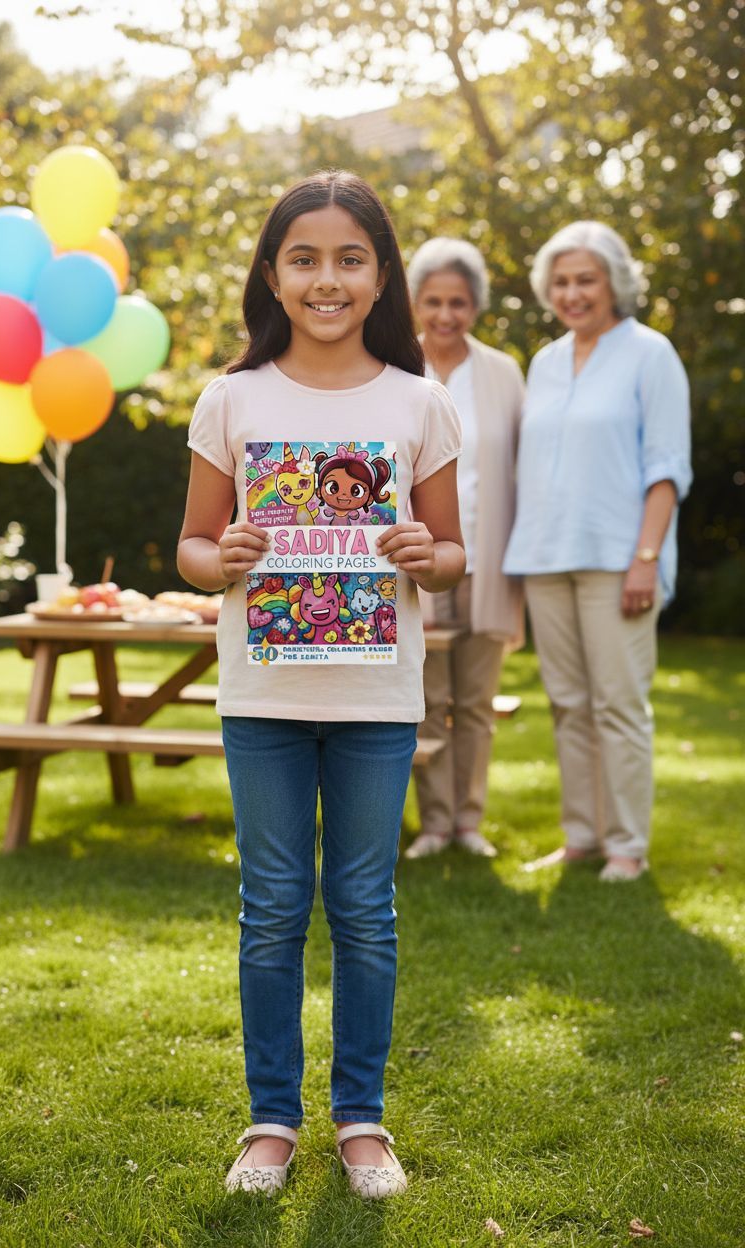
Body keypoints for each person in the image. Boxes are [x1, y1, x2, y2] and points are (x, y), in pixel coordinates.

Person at [177, 172, 465, 1197]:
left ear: (379, 275)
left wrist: (427, 550)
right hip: (261, 692)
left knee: (362, 907)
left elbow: (455, 552)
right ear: (272, 274)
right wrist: (230, 558)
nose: (326, 278)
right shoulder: (233, 397)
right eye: (304, 258)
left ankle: (360, 1122)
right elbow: (192, 549)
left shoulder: (416, 400)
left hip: (376, 694)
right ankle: (269, 1119)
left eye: (349, 258)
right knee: (271, 907)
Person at [503, 221, 692, 882]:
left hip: (619, 557)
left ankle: (626, 846)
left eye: (585, 279)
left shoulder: (651, 353)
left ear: (614, 281)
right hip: (547, 554)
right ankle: (581, 836)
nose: (572, 293)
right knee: (568, 703)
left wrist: (647, 557)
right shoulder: (546, 362)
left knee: (617, 703)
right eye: (560, 281)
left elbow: (666, 468)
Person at [403, 238, 525, 860]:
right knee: (426, 699)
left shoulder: (503, 372)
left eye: (458, 302)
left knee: (475, 700)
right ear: (415, 303)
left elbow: (519, 468)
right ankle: (435, 823)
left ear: (475, 305)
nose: (446, 315)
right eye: (434, 301)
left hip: (488, 557)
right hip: (417, 562)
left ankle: (469, 822)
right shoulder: (395, 366)